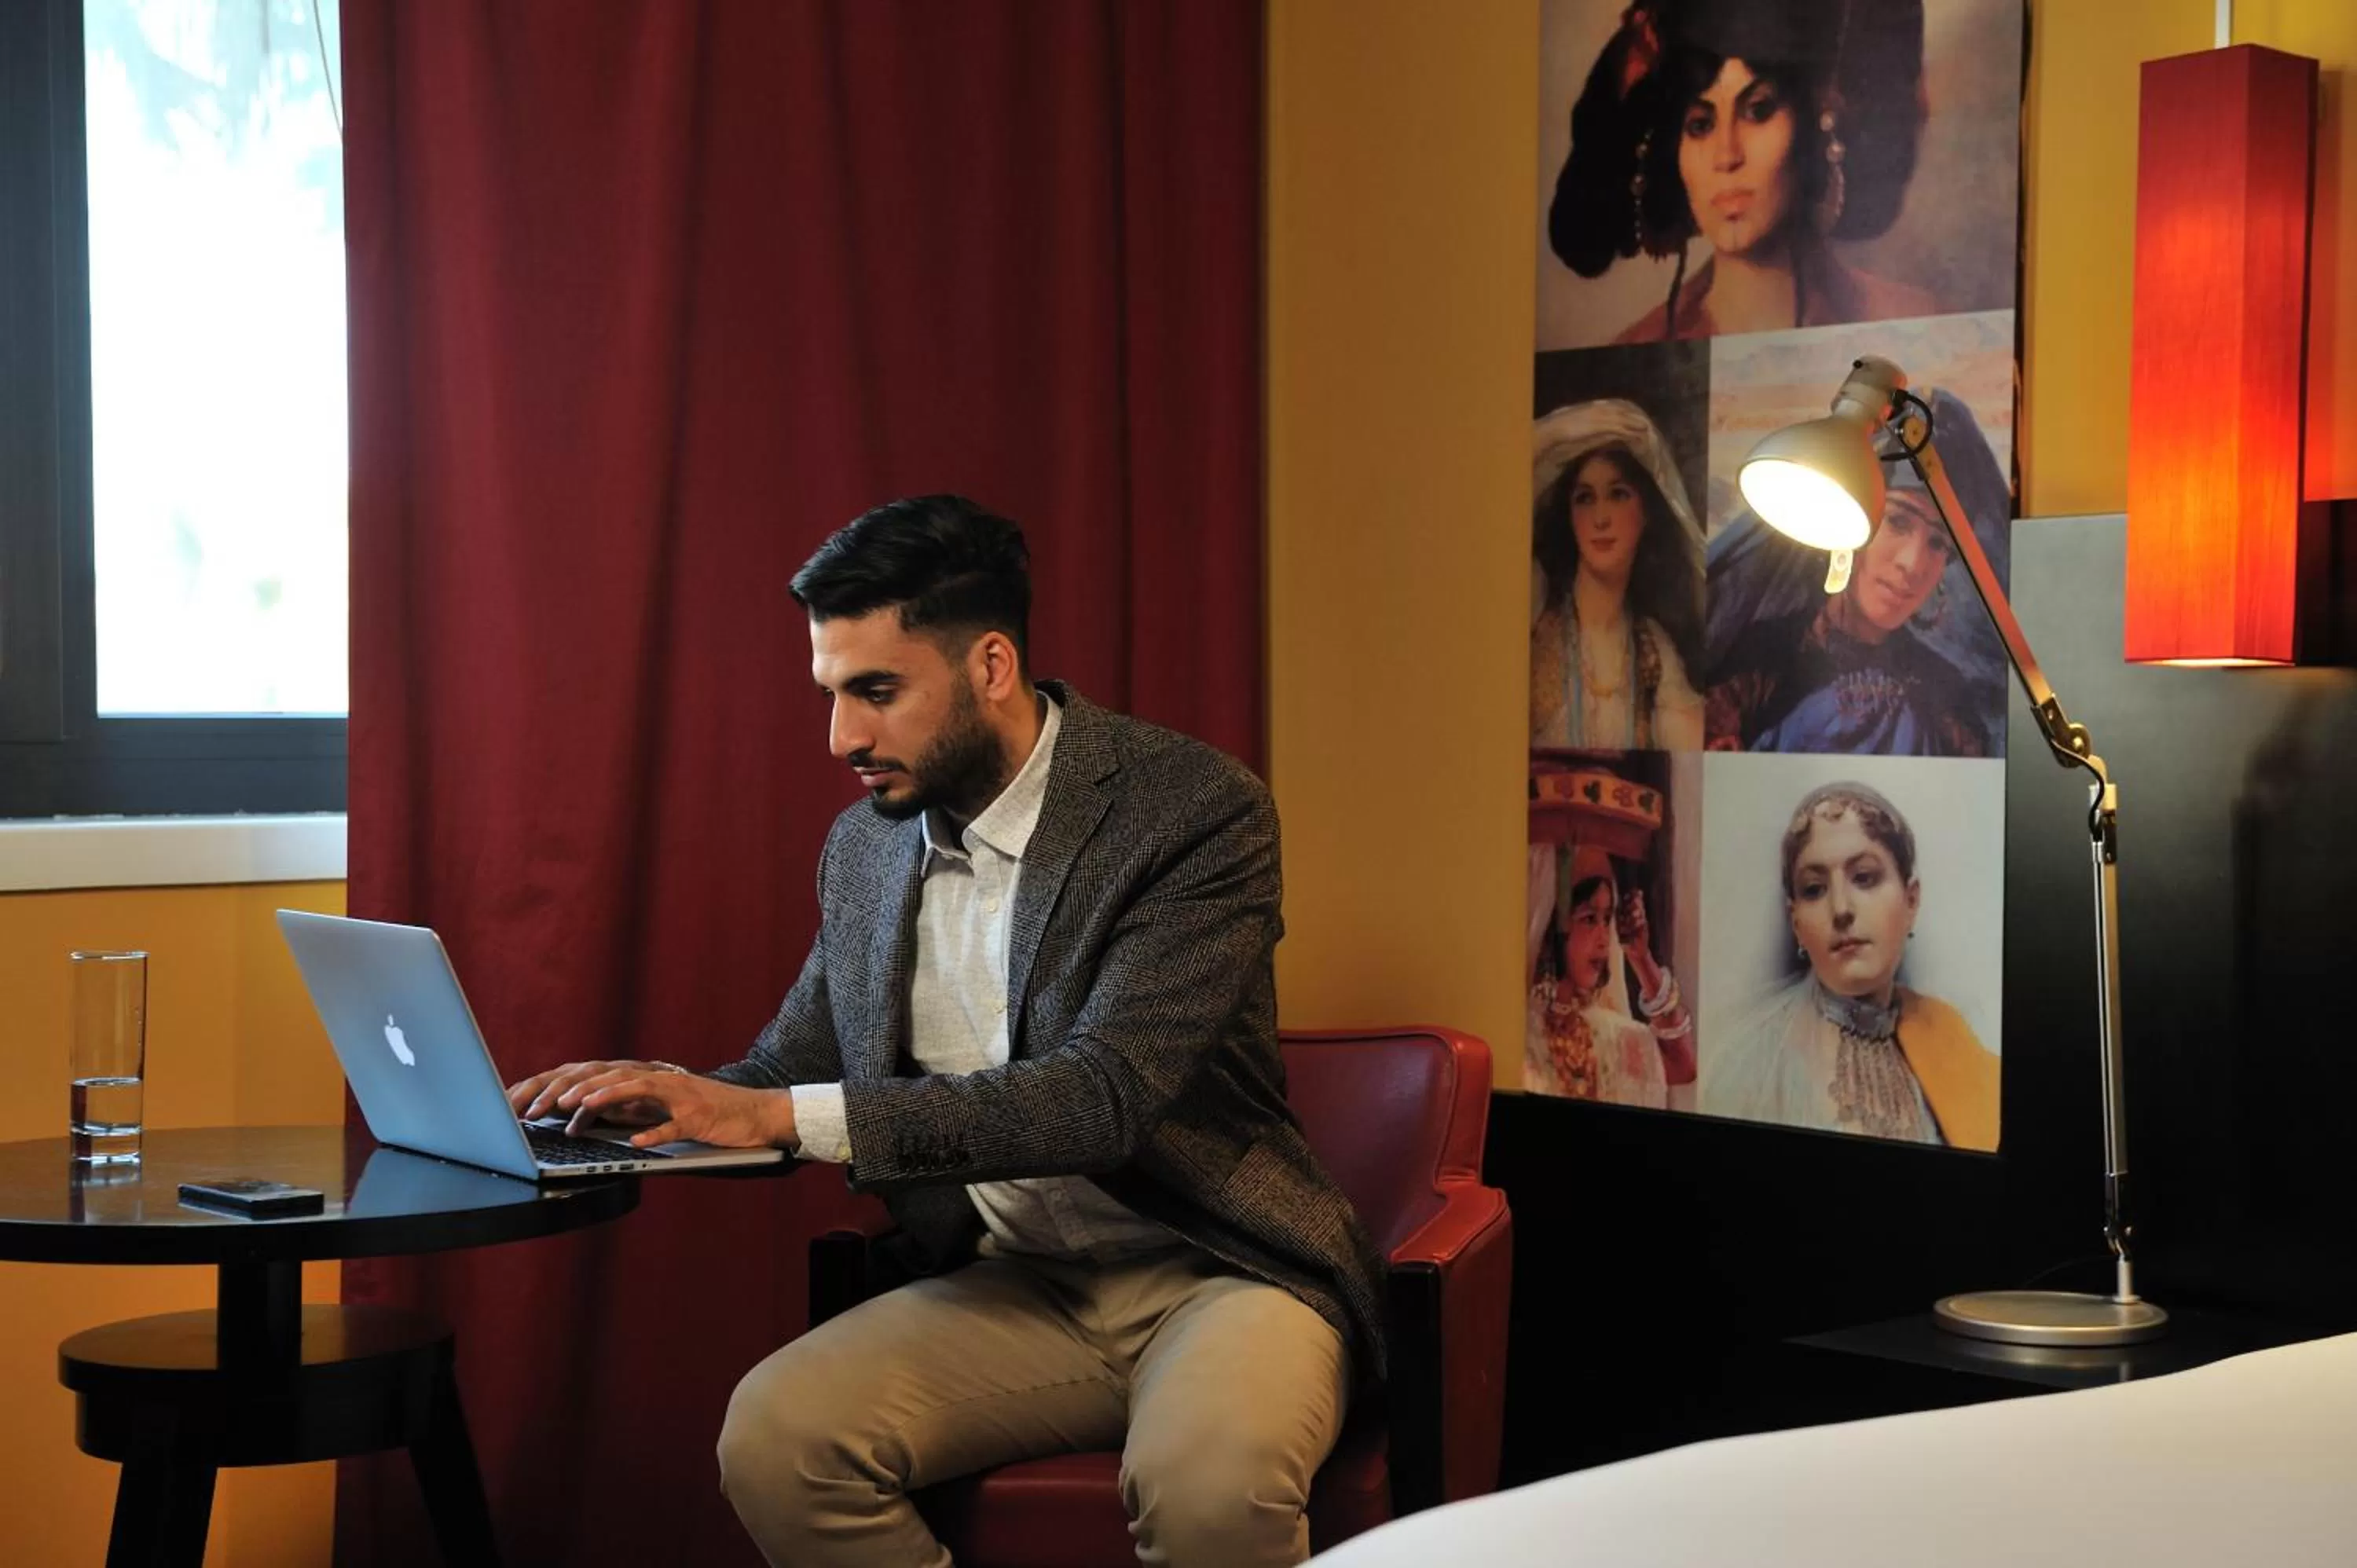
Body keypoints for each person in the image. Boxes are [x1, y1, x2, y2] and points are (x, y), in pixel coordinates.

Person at [507, 496, 1382, 1568]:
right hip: (1015, 1281)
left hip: (1218, 1269)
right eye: (832, 693)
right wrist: (658, 1103)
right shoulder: (868, 848)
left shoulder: (1192, 810)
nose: (843, 738)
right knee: (778, 1439)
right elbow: (799, 1067)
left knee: (1207, 1489)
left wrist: (776, 1112)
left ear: (993, 667)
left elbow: (1099, 1097)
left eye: (877, 692)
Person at [1548, 0, 1933, 342]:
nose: (1726, 156)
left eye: (1758, 110)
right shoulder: (1634, 354)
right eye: (1700, 125)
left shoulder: (1914, 323)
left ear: (1816, 121)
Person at [1703, 387, 2011, 757]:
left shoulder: (1949, 696)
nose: (1912, 564)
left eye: (1937, 544)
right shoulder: (1756, 663)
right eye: (1897, 521)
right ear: (1846, 523)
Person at [1702, 781, 1998, 1149]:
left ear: (1911, 901)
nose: (1841, 909)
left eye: (1864, 878)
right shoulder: (1750, 1065)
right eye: (1814, 889)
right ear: (1796, 922)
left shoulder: (1953, 1039)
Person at [1530, 399, 1706, 749]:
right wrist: (1561, 430)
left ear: (1646, 513)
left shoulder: (1651, 648)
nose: (1600, 519)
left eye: (1618, 494)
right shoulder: (1536, 606)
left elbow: (1695, 752)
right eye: (1584, 498)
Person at [1524, 841, 1695, 1106]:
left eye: (1608, 919)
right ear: (1551, 924)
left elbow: (1682, 1064)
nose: (1605, 939)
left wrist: (1641, 958)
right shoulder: (1519, 1032)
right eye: (1590, 919)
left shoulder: (1608, 1034)